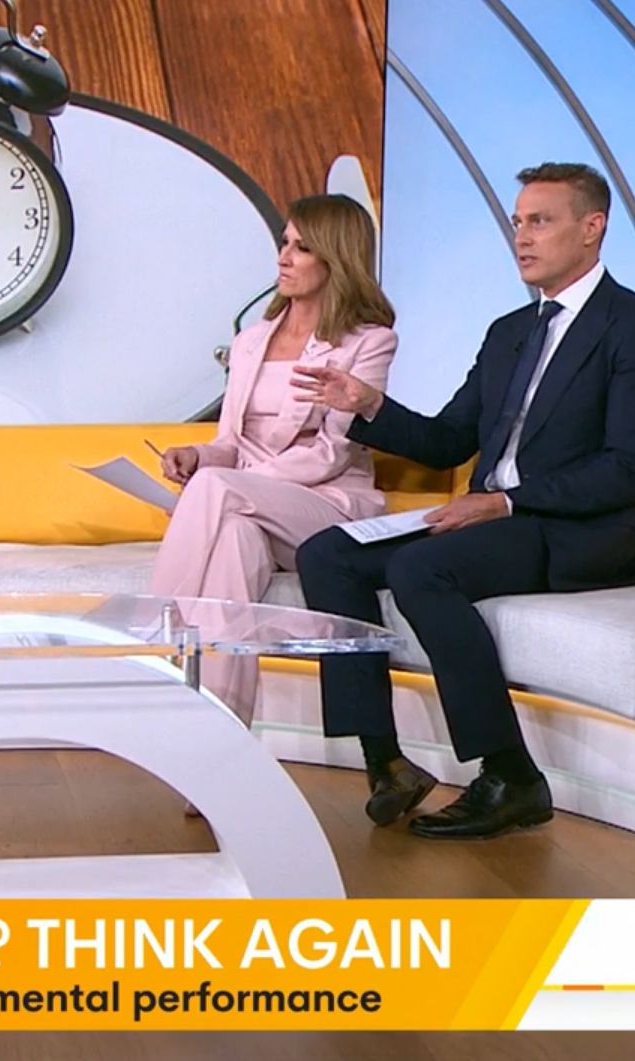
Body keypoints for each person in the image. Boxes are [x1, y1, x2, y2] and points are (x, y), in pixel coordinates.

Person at [291, 163, 635, 839]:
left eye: (541, 221)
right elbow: (448, 440)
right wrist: (368, 404)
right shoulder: (510, 331)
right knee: (327, 555)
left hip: (579, 530)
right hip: (495, 519)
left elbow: (627, 470)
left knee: (421, 567)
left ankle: (511, 776)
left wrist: (503, 504)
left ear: (592, 228)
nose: (522, 237)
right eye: (517, 222)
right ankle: (386, 761)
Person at [149, 193, 397, 724]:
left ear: (336, 257)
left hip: (325, 504)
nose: (284, 257)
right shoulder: (251, 340)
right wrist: (199, 455)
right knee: (233, 546)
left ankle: (154, 635)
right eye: (284, 243)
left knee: (217, 490)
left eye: (302, 247)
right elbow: (230, 442)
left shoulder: (368, 343)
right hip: (245, 505)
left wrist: (232, 480)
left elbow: (332, 453)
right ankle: (217, 733)